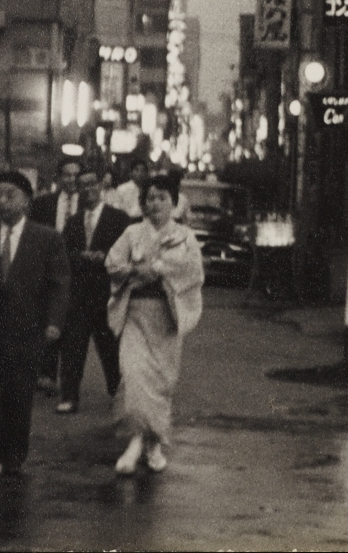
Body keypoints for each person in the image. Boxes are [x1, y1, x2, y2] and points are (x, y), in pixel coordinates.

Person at [0, 170, 71, 479]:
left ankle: (11, 457)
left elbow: (59, 284)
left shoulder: (47, 239)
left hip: (26, 332)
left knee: (17, 397)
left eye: (10, 194)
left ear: (26, 201)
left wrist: (54, 323)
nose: (2, 200)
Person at [106, 173, 204, 474]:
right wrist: (135, 270)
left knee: (161, 383)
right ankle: (137, 440)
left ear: (174, 203)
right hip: (136, 313)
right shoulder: (132, 232)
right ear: (143, 203)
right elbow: (112, 262)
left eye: (163, 198)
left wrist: (160, 270)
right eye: (150, 198)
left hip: (166, 317)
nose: (156, 203)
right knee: (134, 377)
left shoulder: (185, 236)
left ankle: (153, 444)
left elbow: (193, 272)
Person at [57, 163, 134, 413]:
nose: (88, 189)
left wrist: (105, 258)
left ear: (101, 185)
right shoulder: (74, 221)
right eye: (83, 185)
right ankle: (69, 397)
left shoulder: (119, 218)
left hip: (107, 294)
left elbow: (128, 254)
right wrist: (82, 257)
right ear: (77, 189)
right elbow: (65, 254)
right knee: (73, 348)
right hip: (79, 295)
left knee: (110, 348)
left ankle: (118, 395)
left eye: (92, 183)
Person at [30, 155, 81, 391]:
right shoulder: (44, 204)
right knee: (49, 320)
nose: (71, 179)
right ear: (59, 178)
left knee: (72, 328)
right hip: (49, 271)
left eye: (75, 175)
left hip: (78, 273)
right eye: (67, 175)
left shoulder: (87, 204)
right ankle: (47, 375)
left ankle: (68, 380)